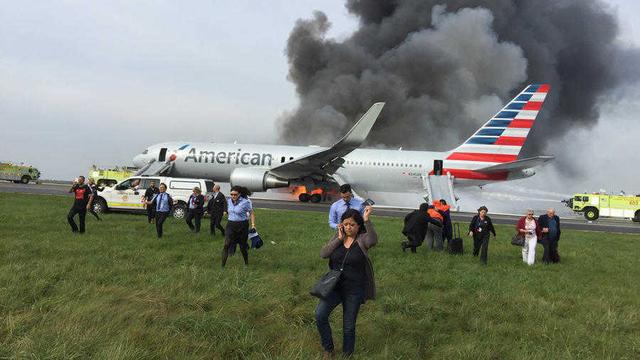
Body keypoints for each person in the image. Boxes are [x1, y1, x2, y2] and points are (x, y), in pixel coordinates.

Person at [316, 206, 376, 357]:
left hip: (354, 290)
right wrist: (339, 239)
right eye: (345, 224)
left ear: (358, 226)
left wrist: (367, 220)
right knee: (320, 315)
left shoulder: (362, 240)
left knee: (348, 326)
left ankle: (347, 354)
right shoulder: (339, 237)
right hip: (334, 287)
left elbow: (373, 240)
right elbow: (323, 254)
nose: (348, 227)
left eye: (352, 224)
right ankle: (328, 349)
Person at [222, 186, 255, 267]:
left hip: (242, 225)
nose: (233, 196)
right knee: (226, 244)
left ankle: (246, 263)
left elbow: (252, 213)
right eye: (231, 194)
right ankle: (222, 266)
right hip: (231, 225)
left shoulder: (245, 202)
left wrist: (253, 225)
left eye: (235, 194)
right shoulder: (229, 201)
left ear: (239, 194)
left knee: (242, 247)